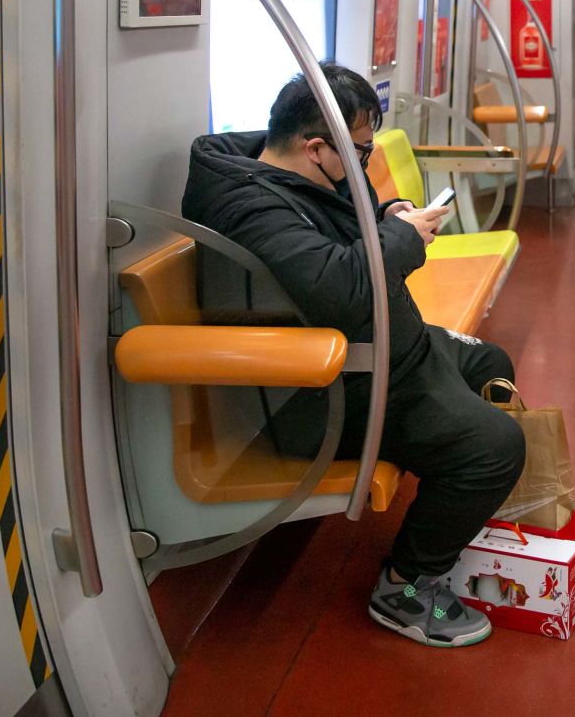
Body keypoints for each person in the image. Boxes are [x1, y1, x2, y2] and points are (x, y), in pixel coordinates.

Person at [182, 62, 525, 649]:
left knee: (490, 363)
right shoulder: (249, 206)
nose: (364, 164)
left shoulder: (311, 172)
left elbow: (348, 224)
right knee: (496, 447)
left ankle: (447, 508)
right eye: (359, 152)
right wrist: (403, 241)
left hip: (384, 349)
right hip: (326, 390)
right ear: (316, 147)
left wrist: (391, 218)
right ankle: (406, 589)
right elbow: (337, 290)